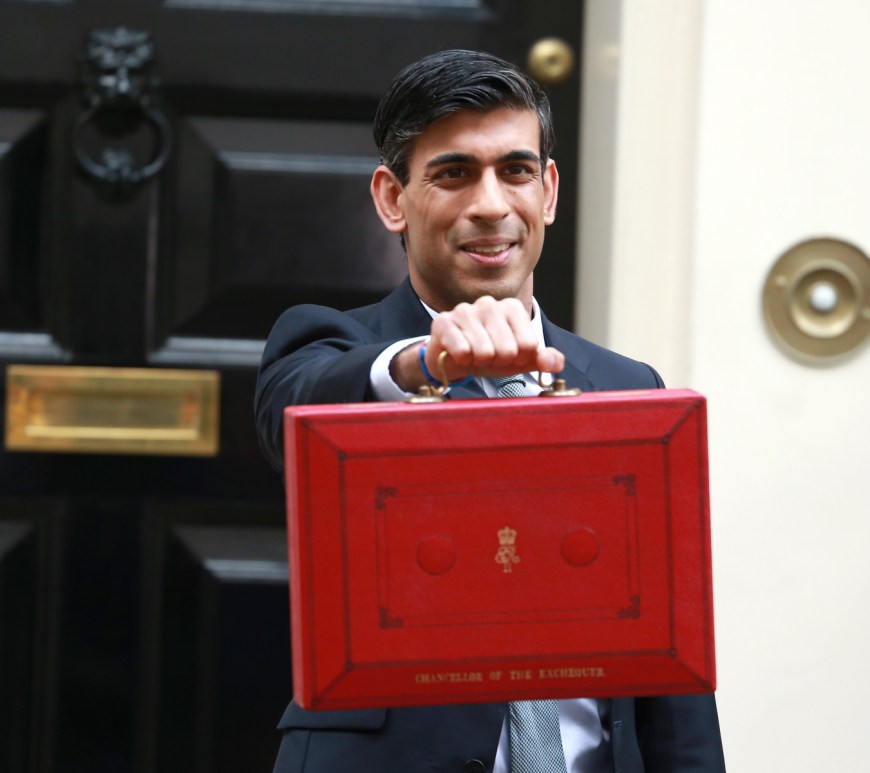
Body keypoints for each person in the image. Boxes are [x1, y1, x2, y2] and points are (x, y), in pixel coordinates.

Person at [255, 49, 725, 773]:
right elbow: (299, 411)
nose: (491, 204)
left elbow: (672, 671)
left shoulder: (631, 386)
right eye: (453, 173)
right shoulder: (334, 348)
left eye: (515, 170)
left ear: (550, 190)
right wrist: (426, 361)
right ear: (391, 198)